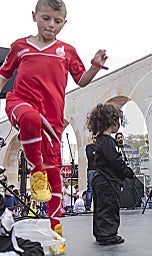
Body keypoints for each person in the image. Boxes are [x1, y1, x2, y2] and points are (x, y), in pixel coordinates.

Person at [0, 0, 108, 249]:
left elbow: (81, 79)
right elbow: (4, 76)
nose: (51, 25)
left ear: (64, 23)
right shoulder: (20, 47)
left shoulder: (66, 51)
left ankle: (56, 231)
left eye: (57, 21)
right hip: (21, 102)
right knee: (29, 118)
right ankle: (36, 171)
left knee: (55, 175)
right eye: (46, 18)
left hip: (52, 119)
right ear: (34, 16)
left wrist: (95, 65)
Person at [86, 103, 134, 246]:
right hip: (107, 180)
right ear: (113, 122)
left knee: (101, 208)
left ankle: (101, 233)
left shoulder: (101, 140)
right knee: (109, 207)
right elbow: (115, 161)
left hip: (101, 179)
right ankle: (108, 235)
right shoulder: (108, 142)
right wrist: (127, 172)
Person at [85, 135, 96, 212]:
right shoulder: (89, 147)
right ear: (92, 138)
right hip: (91, 169)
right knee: (90, 188)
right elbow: (90, 156)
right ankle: (88, 207)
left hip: (99, 170)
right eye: (94, 137)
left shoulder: (101, 146)